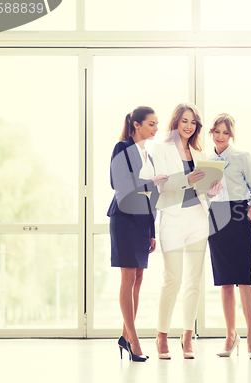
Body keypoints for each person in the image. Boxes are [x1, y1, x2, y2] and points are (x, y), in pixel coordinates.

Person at [153, 103, 220, 359]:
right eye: (185, 121)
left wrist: (211, 191)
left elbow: (203, 190)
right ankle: (161, 337)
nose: (189, 126)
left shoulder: (198, 151)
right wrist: (187, 180)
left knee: (194, 281)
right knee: (173, 279)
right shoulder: (161, 148)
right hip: (172, 218)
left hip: (197, 219)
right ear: (176, 122)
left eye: (193, 122)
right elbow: (161, 185)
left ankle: (187, 336)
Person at [107, 106, 168, 362]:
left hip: (143, 222)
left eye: (156, 124)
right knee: (128, 277)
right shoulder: (122, 148)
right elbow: (118, 184)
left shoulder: (148, 155)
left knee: (138, 279)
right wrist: (151, 182)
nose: (155, 128)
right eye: (151, 124)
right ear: (136, 125)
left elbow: (151, 198)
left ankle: (125, 335)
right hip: (124, 219)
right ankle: (133, 339)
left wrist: (152, 230)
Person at [207, 113, 251, 359]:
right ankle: (231, 336)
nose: (221, 136)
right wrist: (208, 194)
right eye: (217, 131)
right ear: (211, 133)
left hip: (240, 215)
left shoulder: (242, 157)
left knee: (244, 279)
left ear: (231, 135)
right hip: (217, 218)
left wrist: (249, 213)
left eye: (226, 132)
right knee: (225, 281)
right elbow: (204, 196)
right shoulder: (207, 162)